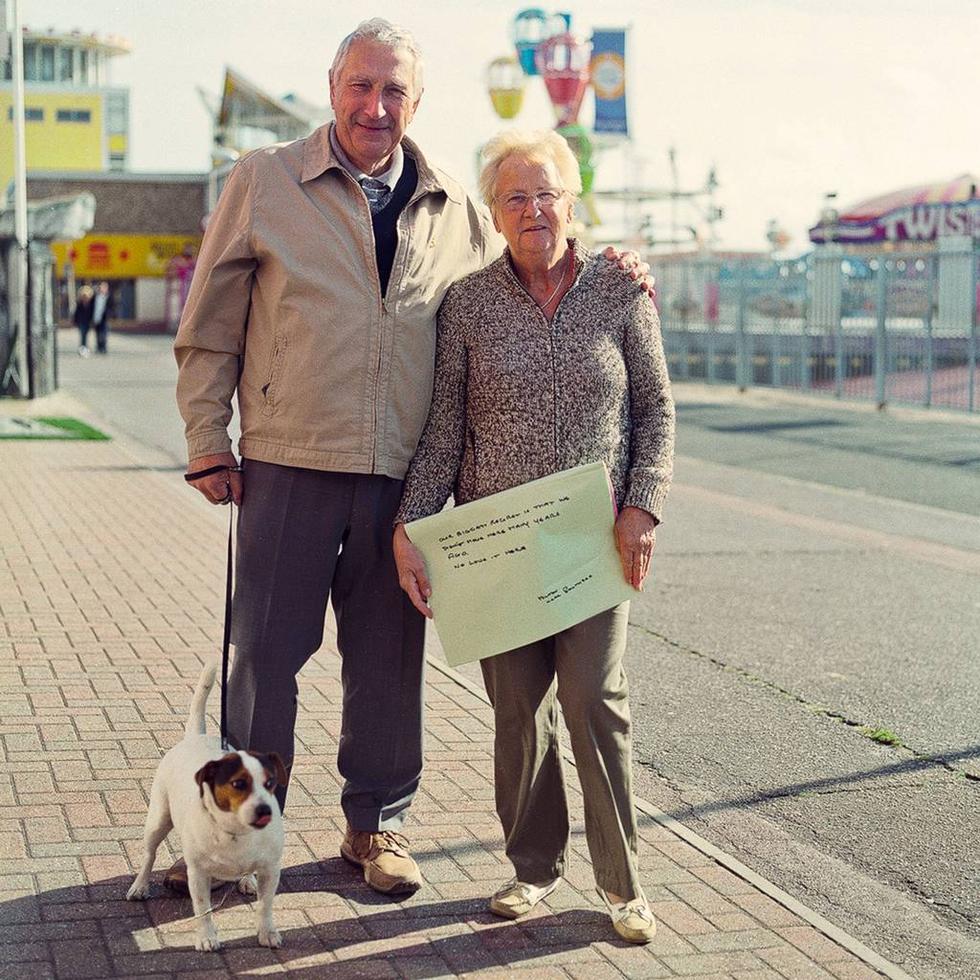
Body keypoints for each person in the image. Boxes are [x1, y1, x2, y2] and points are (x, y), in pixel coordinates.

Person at [174, 19, 651, 899]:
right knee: (262, 655)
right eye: (361, 85)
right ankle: (228, 832)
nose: (375, 105)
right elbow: (207, 326)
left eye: (394, 91)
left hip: (404, 481)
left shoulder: (454, 206)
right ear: (332, 87)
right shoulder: (265, 181)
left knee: (388, 662)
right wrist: (209, 440)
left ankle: (378, 827)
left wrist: (612, 261)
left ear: (416, 104)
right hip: (289, 459)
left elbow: (530, 260)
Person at [392, 129, 675, 943]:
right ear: (495, 212)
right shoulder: (470, 304)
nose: (533, 209)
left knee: (592, 702)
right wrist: (412, 528)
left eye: (546, 191)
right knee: (518, 714)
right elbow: (445, 428)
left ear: (572, 199)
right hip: (500, 545)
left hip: (593, 540)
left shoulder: (619, 289)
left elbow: (654, 408)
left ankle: (623, 885)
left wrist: (642, 506)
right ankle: (531, 869)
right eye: (514, 197)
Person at [90, 281, 114, 354]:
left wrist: (110, 314)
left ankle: (103, 348)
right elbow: (92, 307)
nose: (102, 289)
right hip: (96, 318)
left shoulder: (109, 297)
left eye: (104, 287)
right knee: (97, 334)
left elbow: (112, 307)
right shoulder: (95, 297)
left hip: (105, 319)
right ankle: (98, 347)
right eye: (101, 287)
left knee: (104, 334)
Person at [73, 284, 94, 356]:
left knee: (85, 335)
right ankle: (83, 348)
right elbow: (77, 313)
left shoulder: (91, 304)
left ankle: (84, 347)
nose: (85, 297)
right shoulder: (80, 303)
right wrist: (75, 321)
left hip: (88, 322)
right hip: (81, 322)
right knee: (83, 335)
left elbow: (92, 313)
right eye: (84, 295)